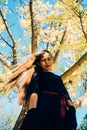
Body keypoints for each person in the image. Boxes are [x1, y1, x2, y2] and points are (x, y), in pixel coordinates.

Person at [7, 50, 77, 130]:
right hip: (43, 108)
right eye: (43, 60)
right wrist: (32, 112)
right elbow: (34, 94)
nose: (47, 62)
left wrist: (72, 109)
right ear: (39, 63)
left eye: (49, 59)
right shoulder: (37, 75)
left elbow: (65, 95)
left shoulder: (58, 78)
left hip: (58, 111)